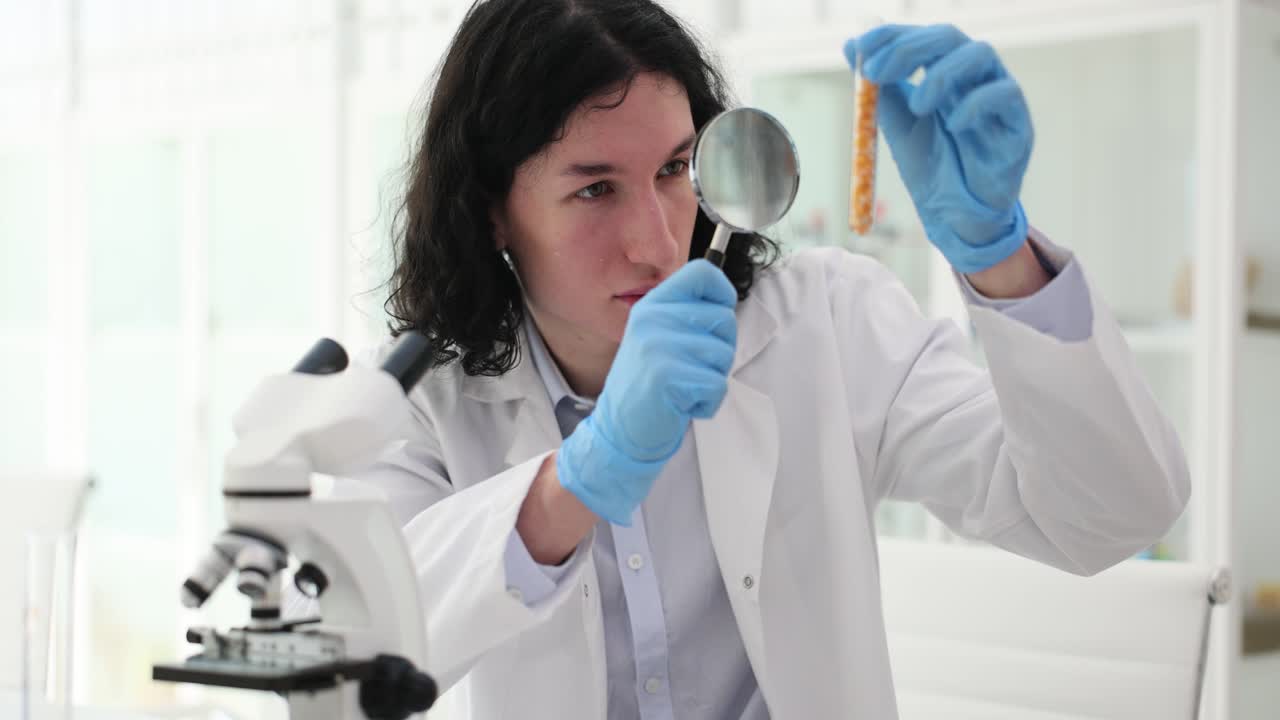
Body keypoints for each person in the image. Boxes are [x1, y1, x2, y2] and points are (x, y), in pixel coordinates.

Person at [353, 1, 1191, 717]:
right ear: (493, 211)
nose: (655, 240)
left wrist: (997, 256)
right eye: (595, 188)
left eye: (677, 168)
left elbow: (1108, 515)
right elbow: (358, 654)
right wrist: (581, 476)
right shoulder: (422, 400)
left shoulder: (824, 325)